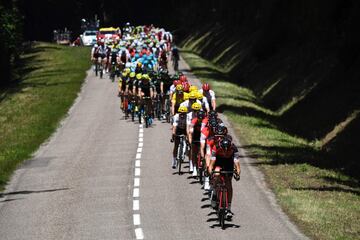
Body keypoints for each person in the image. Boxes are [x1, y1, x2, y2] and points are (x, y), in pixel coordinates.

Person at [208, 136, 241, 219]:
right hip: (218, 161)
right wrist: (210, 172)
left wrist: (238, 174)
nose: (225, 151)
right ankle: (215, 193)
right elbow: (211, 164)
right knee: (216, 173)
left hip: (228, 163)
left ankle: (228, 208)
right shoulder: (216, 147)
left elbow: (237, 164)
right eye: (224, 150)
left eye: (227, 150)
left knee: (229, 184)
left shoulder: (234, 148)